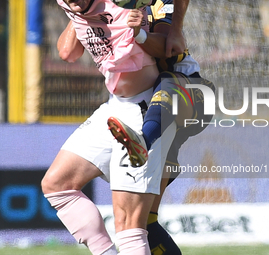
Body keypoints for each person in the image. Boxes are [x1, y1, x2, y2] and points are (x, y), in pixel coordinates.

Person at [41, 1, 179, 255]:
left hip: (147, 111)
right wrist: (81, 15)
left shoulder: (126, 5)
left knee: (129, 227)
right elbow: (67, 53)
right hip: (114, 107)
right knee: (57, 185)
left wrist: (162, 29)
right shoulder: (74, 6)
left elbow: (170, 47)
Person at [107, 1, 215, 254]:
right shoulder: (103, 12)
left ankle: (143, 141)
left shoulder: (158, 6)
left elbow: (171, 47)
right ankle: (146, 142)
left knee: (167, 81)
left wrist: (138, 33)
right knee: (145, 224)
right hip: (157, 116)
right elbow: (68, 51)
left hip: (192, 93)